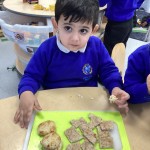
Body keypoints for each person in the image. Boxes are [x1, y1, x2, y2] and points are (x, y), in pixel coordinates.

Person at [14, 0, 129, 129]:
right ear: (56, 25)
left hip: (88, 104)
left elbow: (109, 71)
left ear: (93, 30)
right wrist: (26, 92)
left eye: (83, 31)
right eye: (68, 28)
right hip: (54, 104)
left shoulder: (96, 46)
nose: (75, 38)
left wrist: (115, 87)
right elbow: (31, 76)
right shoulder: (47, 49)